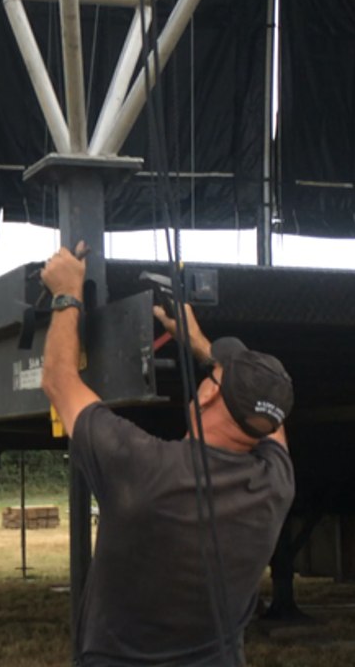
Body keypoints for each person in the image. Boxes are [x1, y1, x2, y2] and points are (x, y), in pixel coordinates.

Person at [40, 241, 295, 667]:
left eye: (214, 375)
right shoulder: (275, 484)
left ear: (209, 393)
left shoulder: (143, 470)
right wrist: (205, 349)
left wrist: (66, 293)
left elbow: (58, 379)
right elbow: (269, 416)